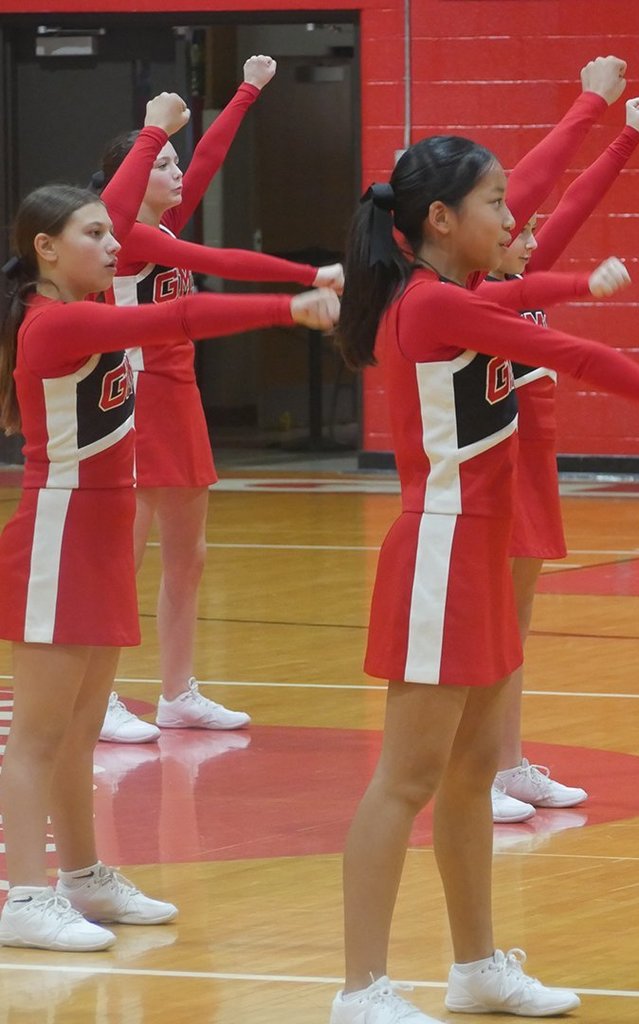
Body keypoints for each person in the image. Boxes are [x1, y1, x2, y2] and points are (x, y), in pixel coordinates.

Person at [330, 133, 639, 1024]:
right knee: (404, 780)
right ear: (440, 219)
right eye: (493, 201)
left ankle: (477, 967)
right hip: (440, 554)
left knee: (472, 772)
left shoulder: (461, 295)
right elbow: (581, 358)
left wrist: (577, 276)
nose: (509, 214)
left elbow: (532, 291)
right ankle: (360, 990)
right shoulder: (431, 305)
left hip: (480, 555)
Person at [0, 94, 339, 952]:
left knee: (82, 730)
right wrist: (286, 307)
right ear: (46, 249)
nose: (114, 245)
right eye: (94, 236)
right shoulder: (57, 324)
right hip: (58, 540)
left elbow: (123, 221)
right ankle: (23, 895)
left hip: (101, 541)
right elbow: (179, 314)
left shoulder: (85, 291)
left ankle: (84, 876)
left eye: (111, 234)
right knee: (39, 735)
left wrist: (160, 130)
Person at [93, 56, 343, 744]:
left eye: (174, 162)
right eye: (161, 164)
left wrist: (246, 92)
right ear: (133, 177)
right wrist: (307, 274)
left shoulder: (167, 224)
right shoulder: (123, 239)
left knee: (190, 555)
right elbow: (221, 263)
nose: (177, 173)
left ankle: (177, 693)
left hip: (181, 396)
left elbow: (208, 157)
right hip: (135, 398)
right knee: (124, 558)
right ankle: (101, 696)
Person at [483, 94, 639, 824]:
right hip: (494, 467)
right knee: (489, 627)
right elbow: (537, 190)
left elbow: (575, 205)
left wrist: (628, 137)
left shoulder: (523, 277)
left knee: (515, 624)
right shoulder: (473, 293)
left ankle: (506, 762)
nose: (530, 238)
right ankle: (477, 771)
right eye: (516, 227)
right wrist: (592, 107)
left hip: (535, 465)